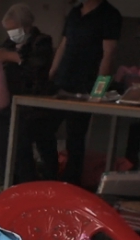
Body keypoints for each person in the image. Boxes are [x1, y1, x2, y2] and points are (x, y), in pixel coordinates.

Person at [0, 4, 56, 183]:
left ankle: (32, 185)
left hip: (32, 107)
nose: (12, 34)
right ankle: (9, 185)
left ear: (26, 25)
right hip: (9, 105)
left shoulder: (42, 41)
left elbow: (38, 65)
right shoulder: (9, 43)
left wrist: (11, 57)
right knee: (6, 150)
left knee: (24, 150)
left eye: (14, 29)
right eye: (8, 30)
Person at [49, 0, 121, 186]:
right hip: (63, 80)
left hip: (86, 85)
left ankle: (71, 181)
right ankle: (50, 174)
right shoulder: (74, 13)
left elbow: (109, 53)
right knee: (44, 127)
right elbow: (63, 44)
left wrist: (99, 90)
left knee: (75, 136)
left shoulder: (109, 15)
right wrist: (50, 75)